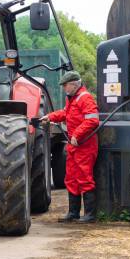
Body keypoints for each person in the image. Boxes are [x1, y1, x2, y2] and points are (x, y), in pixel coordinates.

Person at [41, 71, 99, 223]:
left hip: (85, 145)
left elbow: (93, 121)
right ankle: (73, 213)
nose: (64, 88)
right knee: (71, 178)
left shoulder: (85, 98)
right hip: (75, 146)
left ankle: (90, 215)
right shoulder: (72, 99)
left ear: (74, 84)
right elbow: (66, 113)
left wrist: (76, 135)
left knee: (85, 178)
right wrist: (50, 117)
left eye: (65, 85)